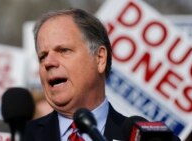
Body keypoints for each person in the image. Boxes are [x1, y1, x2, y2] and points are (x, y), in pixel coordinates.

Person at [24, 8, 128, 141]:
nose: (48, 62)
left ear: (100, 58)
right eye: (42, 56)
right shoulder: (21, 136)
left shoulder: (138, 136)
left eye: (63, 50)